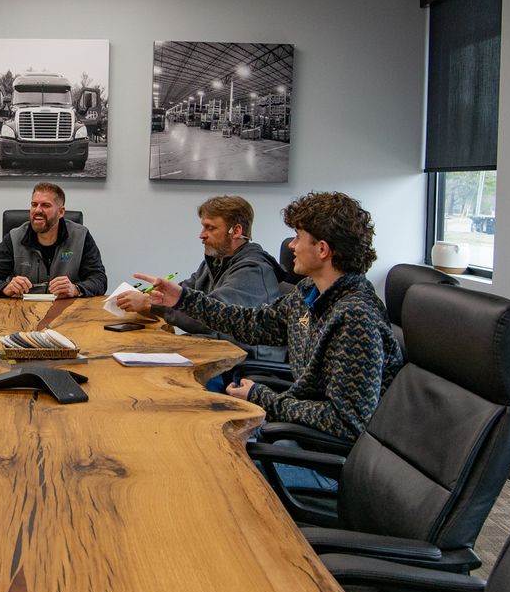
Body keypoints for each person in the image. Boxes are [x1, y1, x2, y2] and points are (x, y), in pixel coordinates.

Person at [135, 190, 401, 447]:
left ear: (322, 249)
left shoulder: (355, 318)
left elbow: (345, 423)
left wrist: (262, 397)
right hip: (293, 431)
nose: (291, 246)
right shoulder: (308, 293)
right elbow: (252, 324)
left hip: (319, 457)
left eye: (298, 237)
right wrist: (181, 298)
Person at [116, 195, 285, 348]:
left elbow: (212, 316)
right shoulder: (215, 262)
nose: (202, 235)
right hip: (213, 347)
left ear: (237, 231)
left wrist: (148, 304)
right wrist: (150, 297)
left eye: (210, 228)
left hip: (242, 364)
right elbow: (182, 294)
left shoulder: (253, 270)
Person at [0, 181, 108, 298]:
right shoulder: (14, 237)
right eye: (34, 204)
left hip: (67, 311)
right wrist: (5, 287)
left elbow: (99, 279)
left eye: (45, 205)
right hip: (22, 313)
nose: (37, 210)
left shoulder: (81, 236)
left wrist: (76, 289)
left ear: (61, 212)